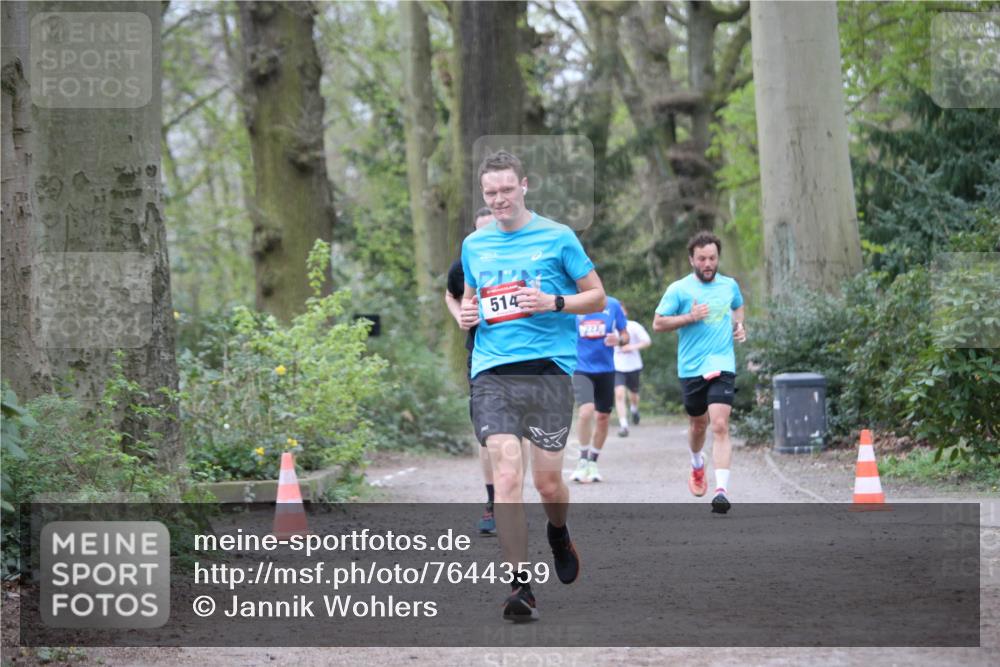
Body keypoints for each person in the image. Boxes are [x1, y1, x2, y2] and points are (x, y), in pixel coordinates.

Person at [460, 150, 606, 622]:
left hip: (547, 371)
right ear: (482, 195)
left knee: (546, 484)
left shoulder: (558, 237)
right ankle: (520, 587)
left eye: (506, 189)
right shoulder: (474, 245)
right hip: (492, 372)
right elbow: (469, 298)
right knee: (506, 476)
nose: (499, 199)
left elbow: (597, 296)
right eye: (490, 193)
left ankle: (558, 533)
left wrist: (553, 301)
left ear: (524, 185)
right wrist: (466, 312)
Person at [446, 207, 527, 535]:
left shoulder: (522, 258)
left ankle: (513, 495)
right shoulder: (465, 262)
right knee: (489, 436)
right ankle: (494, 501)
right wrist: (460, 316)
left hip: (524, 357)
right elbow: (451, 295)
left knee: (519, 434)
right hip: (482, 357)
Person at [652, 231, 746, 514]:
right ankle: (696, 462)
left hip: (722, 364)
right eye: (702, 258)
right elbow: (658, 323)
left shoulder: (730, 285)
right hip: (691, 367)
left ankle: (721, 491)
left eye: (713, 258)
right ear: (692, 259)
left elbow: (738, 307)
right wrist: (689, 317)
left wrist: (739, 326)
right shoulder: (679, 289)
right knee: (698, 425)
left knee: (719, 425)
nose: (708, 263)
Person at [569, 296, 628, 484]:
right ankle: (582, 459)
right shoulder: (573, 304)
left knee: (603, 418)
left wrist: (618, 340)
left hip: (606, 369)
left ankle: (593, 462)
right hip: (581, 368)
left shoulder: (612, 304)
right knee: (585, 412)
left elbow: (625, 335)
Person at [613, 304, 652, 437]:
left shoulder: (633, 326)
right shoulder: (609, 327)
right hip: (616, 366)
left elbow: (647, 341)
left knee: (633, 395)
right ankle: (623, 424)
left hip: (633, 366)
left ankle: (634, 410)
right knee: (619, 393)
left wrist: (631, 347)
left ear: (625, 312)